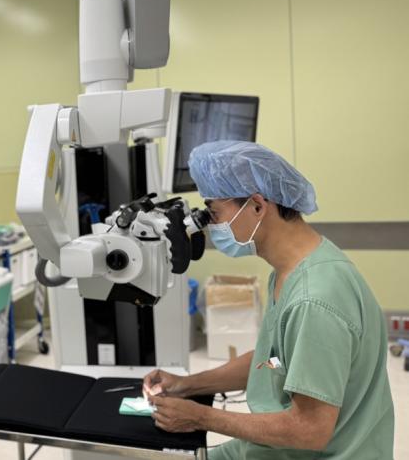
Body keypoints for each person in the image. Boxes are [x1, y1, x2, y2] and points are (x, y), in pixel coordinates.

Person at [142, 141, 394, 459]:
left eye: (214, 213)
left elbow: (309, 430)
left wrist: (200, 417)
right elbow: (275, 362)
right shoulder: (295, 268)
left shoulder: (314, 300)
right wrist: (187, 385)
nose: (212, 226)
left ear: (258, 206)